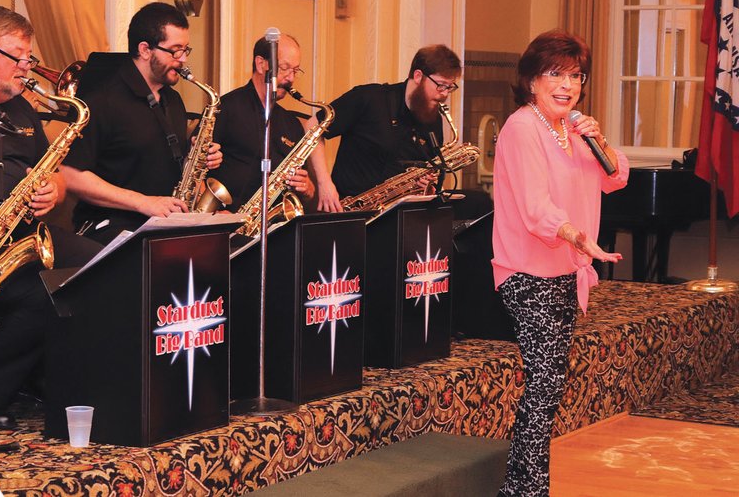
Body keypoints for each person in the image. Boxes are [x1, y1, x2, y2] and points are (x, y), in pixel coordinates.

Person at [0, 5, 101, 428]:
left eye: (28, 57)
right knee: (50, 290)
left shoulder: (22, 109)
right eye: (18, 57)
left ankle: (26, 380)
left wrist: (54, 190)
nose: (27, 67)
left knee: (100, 266)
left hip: (12, 242)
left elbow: (53, 172)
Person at [491, 30, 628, 497]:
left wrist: (599, 139)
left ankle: (523, 487)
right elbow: (535, 209)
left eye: (575, 75)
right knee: (546, 383)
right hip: (527, 271)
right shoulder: (522, 127)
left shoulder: (572, 129)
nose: (567, 84)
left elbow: (615, 177)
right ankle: (525, 490)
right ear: (531, 80)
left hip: (565, 271)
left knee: (548, 385)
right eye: (555, 74)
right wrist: (580, 238)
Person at [61, 2, 223, 244]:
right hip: (112, 227)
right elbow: (69, 174)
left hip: (161, 224)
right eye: (175, 51)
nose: (183, 60)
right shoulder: (103, 100)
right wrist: (143, 202)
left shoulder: (173, 99)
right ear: (145, 50)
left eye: (186, 49)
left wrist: (199, 157)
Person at [311, 44, 461, 212]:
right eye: (441, 85)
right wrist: (323, 183)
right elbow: (312, 125)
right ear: (418, 76)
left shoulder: (433, 118)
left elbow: (426, 175)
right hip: (346, 212)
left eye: (450, 87)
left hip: (396, 217)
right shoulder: (369, 98)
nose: (445, 94)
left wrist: (424, 184)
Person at [208, 33, 314, 212]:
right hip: (225, 220)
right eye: (284, 68)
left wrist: (307, 188)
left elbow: (308, 191)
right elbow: (195, 170)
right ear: (260, 64)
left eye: (295, 70)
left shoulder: (292, 125)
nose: (290, 78)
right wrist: (212, 215)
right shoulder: (224, 108)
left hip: (273, 227)